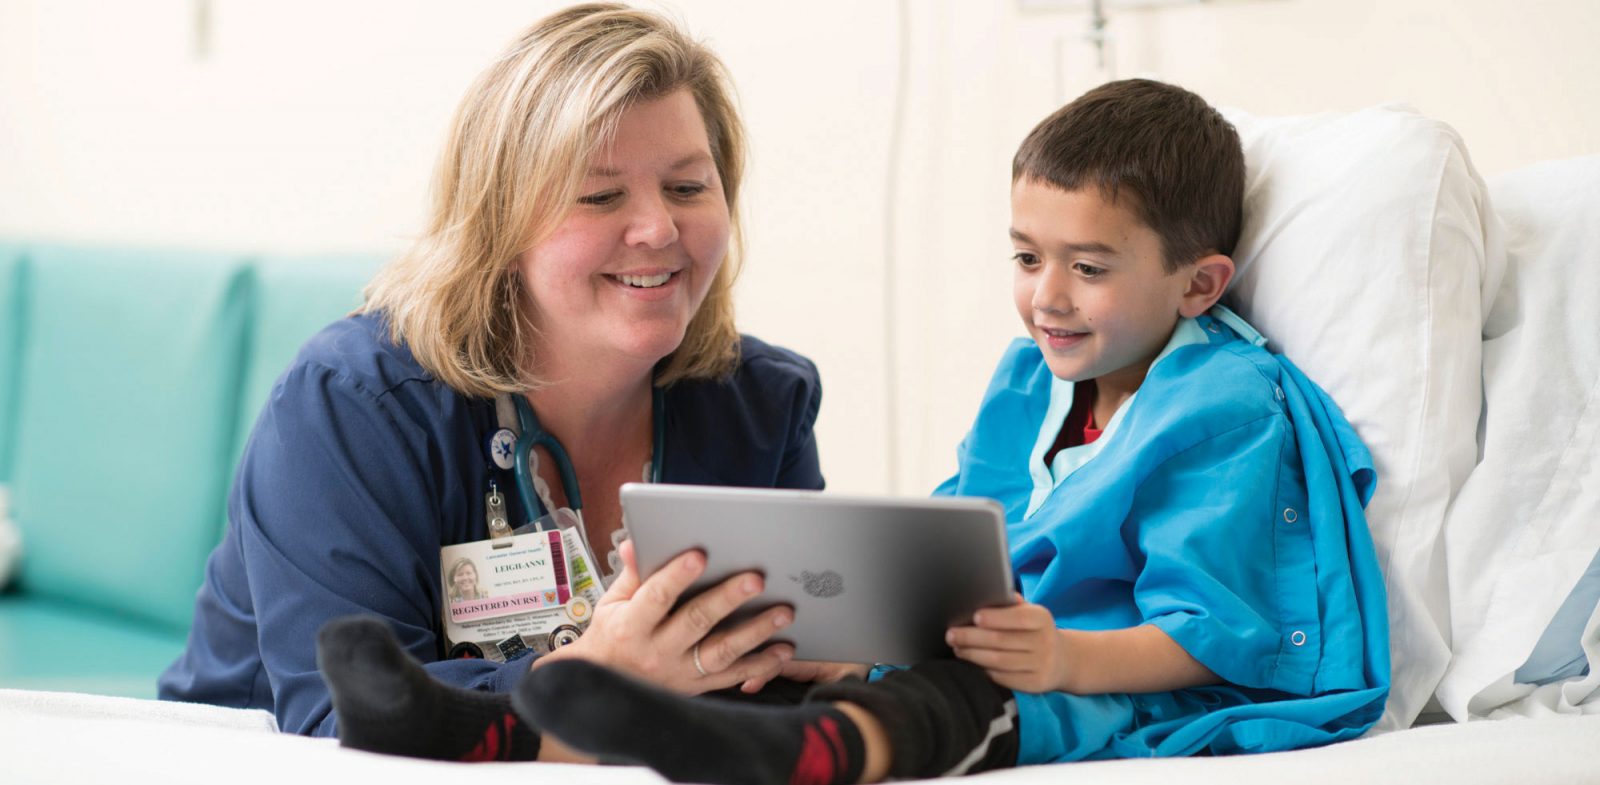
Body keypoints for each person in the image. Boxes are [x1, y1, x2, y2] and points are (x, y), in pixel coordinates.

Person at [159, 2, 825, 757]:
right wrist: (597, 685)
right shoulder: (351, 407)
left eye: (688, 187)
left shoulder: (761, 407)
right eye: (602, 195)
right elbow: (342, 722)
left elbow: (787, 683)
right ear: (500, 223)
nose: (659, 229)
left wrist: (853, 661)